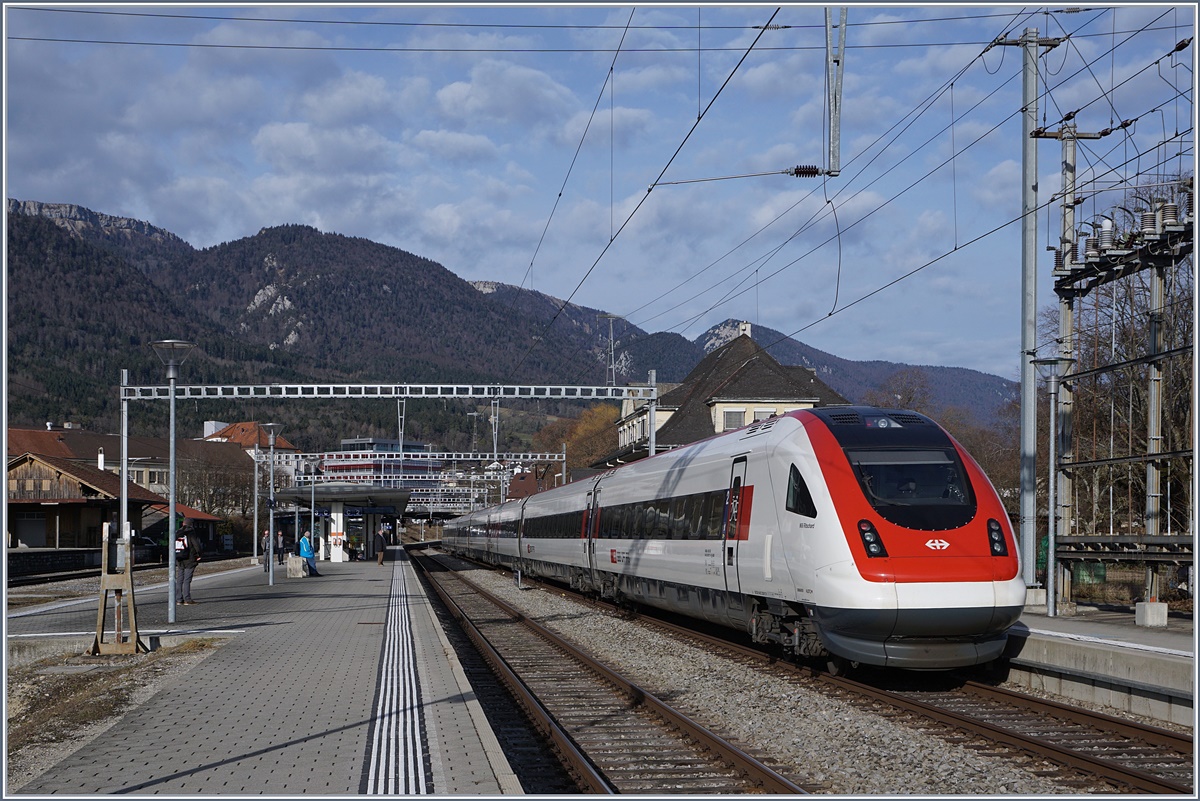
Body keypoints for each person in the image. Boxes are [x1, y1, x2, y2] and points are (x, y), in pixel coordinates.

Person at [175, 524, 202, 604]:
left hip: (180, 559)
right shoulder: (191, 534)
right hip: (189, 560)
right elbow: (196, 546)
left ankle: (179, 599)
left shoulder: (177, 533)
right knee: (187, 580)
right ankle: (187, 599)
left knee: (180, 579)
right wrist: (199, 555)